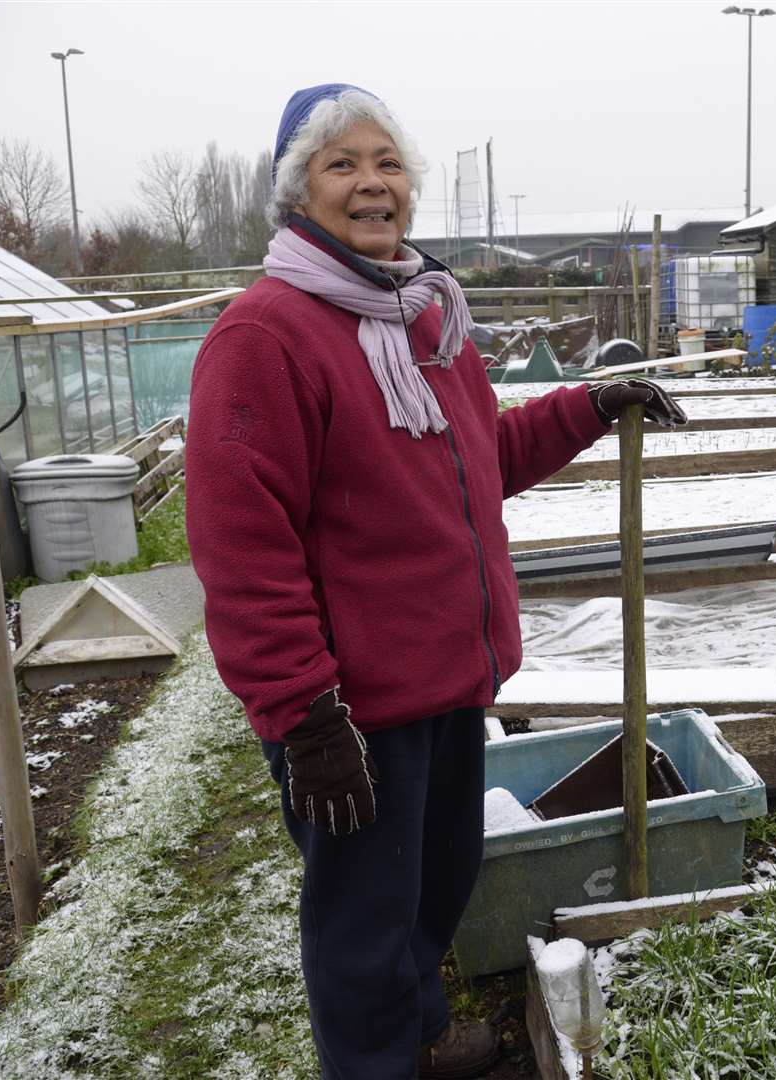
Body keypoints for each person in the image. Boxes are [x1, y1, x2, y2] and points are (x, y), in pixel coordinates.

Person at [185, 83, 685, 1080]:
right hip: (353, 708)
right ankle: (375, 1064)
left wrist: (586, 406)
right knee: (362, 919)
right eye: (342, 165)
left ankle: (415, 1038)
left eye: (387, 163)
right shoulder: (267, 337)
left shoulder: (424, 317)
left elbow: (475, 456)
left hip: (447, 679)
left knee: (432, 888)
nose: (372, 184)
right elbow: (243, 545)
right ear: (298, 193)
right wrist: (304, 713)